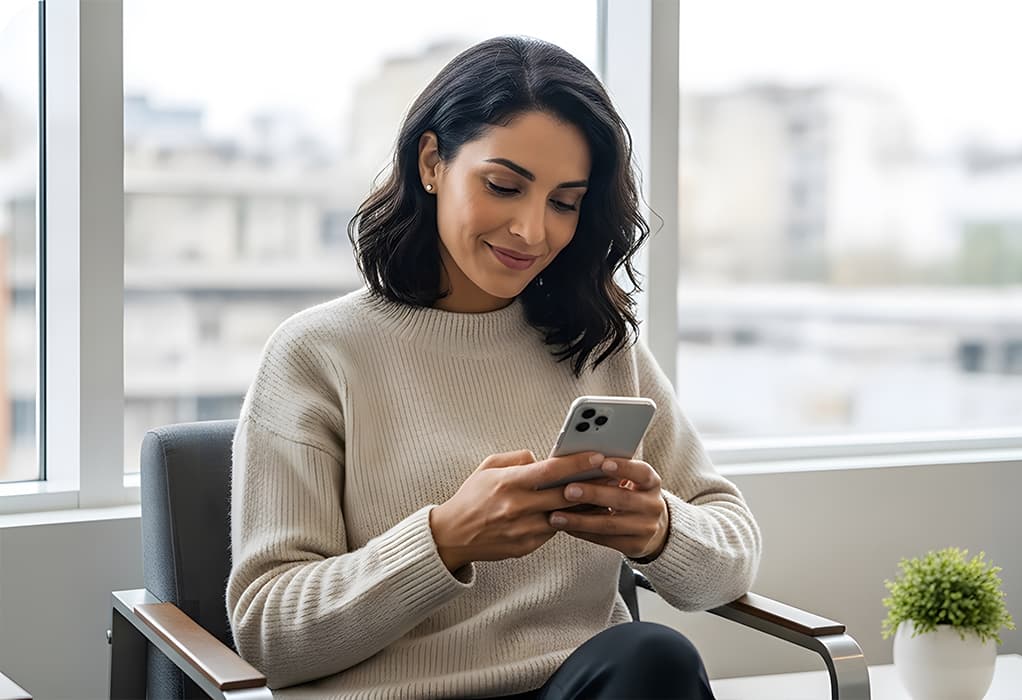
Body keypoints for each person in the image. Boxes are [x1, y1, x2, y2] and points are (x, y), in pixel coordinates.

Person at [226, 35, 761, 699]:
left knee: (651, 656)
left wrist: (660, 531)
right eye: (503, 186)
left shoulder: (599, 344)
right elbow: (269, 633)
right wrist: (445, 541)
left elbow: (733, 550)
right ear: (432, 162)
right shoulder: (316, 355)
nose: (533, 232)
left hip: (583, 687)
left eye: (564, 202)